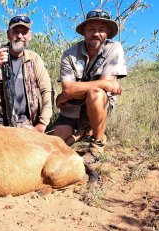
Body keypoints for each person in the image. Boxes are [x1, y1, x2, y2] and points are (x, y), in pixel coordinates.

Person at [52, 9, 127, 160]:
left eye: (101, 29)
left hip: (97, 104)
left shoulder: (115, 48)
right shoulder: (69, 54)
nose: (96, 33)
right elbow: (68, 89)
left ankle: (97, 143)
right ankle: (81, 132)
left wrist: (69, 93)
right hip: (72, 109)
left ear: (107, 33)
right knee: (55, 144)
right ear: (84, 32)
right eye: (91, 29)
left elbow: (98, 90)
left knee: (96, 94)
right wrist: (66, 93)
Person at [0, 15, 52, 133]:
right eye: (15, 32)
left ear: (30, 36)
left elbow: (46, 90)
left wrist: (42, 123)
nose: (20, 36)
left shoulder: (34, 59)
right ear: (8, 34)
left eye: (24, 32)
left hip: (23, 124)